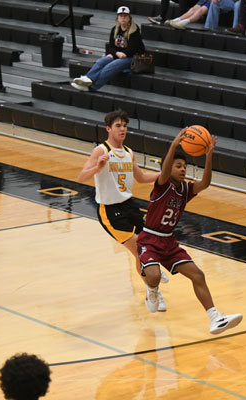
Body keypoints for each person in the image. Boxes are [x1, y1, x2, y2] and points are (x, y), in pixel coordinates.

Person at [137, 129, 243, 335]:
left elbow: (205, 184)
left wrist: (208, 157)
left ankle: (215, 318)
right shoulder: (162, 185)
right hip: (149, 239)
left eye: (185, 166)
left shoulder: (185, 190)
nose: (183, 169)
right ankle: (151, 290)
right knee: (154, 275)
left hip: (169, 242)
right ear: (168, 168)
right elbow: (165, 170)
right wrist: (174, 145)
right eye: (178, 166)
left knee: (198, 275)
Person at [77, 109, 170, 311]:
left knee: (149, 246)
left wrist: (165, 174)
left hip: (130, 205)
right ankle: (153, 291)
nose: (122, 129)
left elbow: (141, 178)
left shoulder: (129, 153)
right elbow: (81, 177)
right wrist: (97, 168)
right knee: (140, 250)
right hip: (110, 211)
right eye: (118, 125)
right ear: (108, 128)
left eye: (125, 126)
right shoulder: (101, 151)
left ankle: (151, 281)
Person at [71, 6, 144, 92]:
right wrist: (115, 53)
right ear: (117, 18)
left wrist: (118, 54)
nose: (123, 18)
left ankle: (92, 87)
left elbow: (132, 49)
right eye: (121, 16)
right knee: (101, 61)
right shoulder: (115, 29)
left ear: (129, 18)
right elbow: (111, 47)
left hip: (132, 58)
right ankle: (87, 79)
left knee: (110, 67)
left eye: (125, 16)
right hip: (119, 55)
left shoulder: (134, 30)